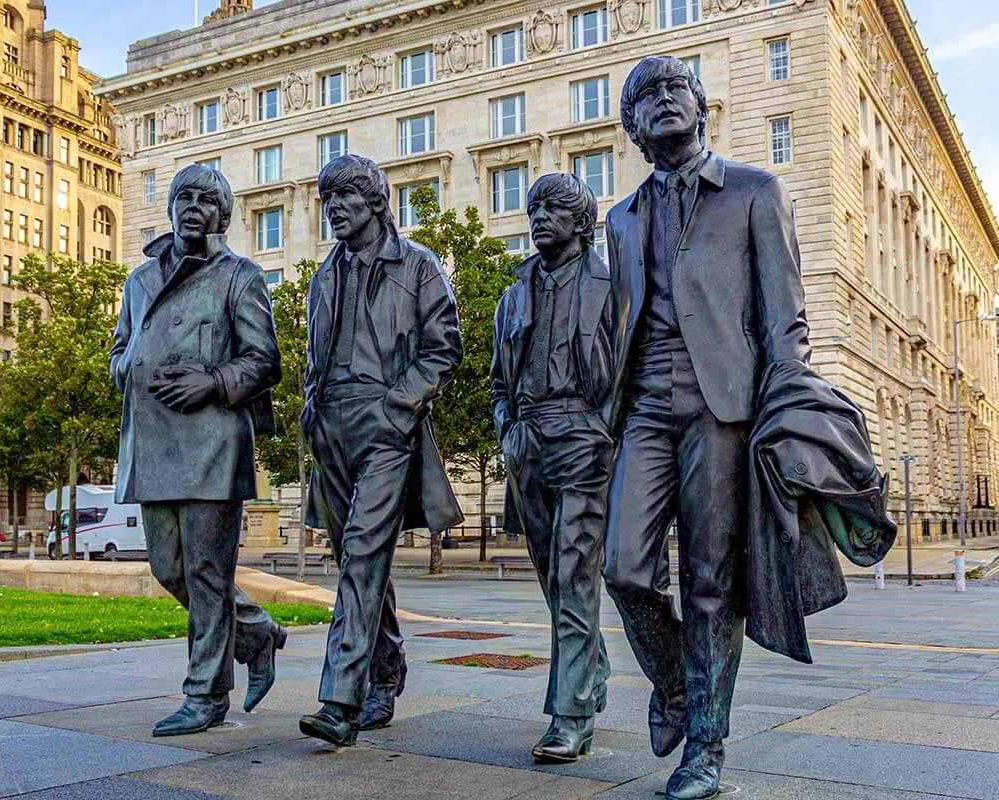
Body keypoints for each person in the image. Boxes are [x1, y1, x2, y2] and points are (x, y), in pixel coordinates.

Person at [602, 56, 810, 799]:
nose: (661, 101)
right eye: (643, 97)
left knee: (710, 582)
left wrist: (787, 405)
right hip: (644, 409)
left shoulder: (755, 191)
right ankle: (680, 688)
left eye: (673, 90)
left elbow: (785, 315)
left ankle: (707, 750)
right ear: (630, 126)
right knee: (623, 567)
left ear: (700, 108)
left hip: (724, 403)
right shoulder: (618, 218)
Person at [109, 164, 287, 737]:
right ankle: (256, 633)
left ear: (224, 215)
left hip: (213, 441)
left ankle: (206, 696)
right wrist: (132, 371)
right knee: (168, 568)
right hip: (153, 441)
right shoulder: (138, 282)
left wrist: (211, 380)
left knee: (208, 571)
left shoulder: (241, 276)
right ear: (170, 209)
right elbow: (119, 352)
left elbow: (264, 361)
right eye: (184, 197)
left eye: (207, 200)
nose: (193, 206)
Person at [298, 154, 463, 747]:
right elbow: (315, 356)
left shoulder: (417, 265)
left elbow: (445, 346)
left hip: (386, 422)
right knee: (354, 559)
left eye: (344, 196)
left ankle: (340, 700)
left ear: (375, 201)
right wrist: (311, 411)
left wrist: (401, 405)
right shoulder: (324, 274)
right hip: (331, 428)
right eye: (327, 199)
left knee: (365, 554)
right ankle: (386, 669)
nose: (334, 207)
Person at [490, 173, 614, 763]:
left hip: (585, 438)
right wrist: (506, 429)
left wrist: (604, 429)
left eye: (556, 208)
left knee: (573, 574)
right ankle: (590, 668)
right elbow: (498, 381)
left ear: (583, 223)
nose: (538, 216)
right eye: (534, 207)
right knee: (551, 576)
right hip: (528, 441)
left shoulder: (611, 286)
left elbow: (632, 369)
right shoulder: (514, 294)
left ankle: (570, 715)